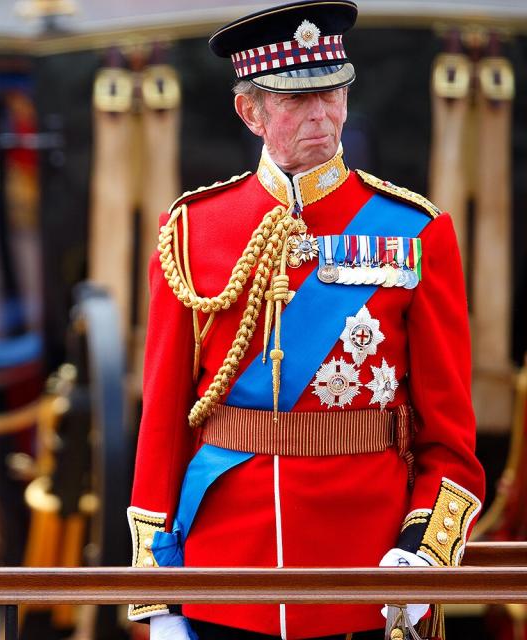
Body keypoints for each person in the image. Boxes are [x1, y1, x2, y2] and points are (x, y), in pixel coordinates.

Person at [126, 2, 485, 639]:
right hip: (224, 583)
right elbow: (162, 426)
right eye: (295, 100)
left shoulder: (415, 231)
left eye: (332, 91)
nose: (320, 114)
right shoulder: (190, 231)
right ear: (251, 112)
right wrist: (160, 598)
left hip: (367, 583)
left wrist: (423, 556)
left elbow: (451, 440)